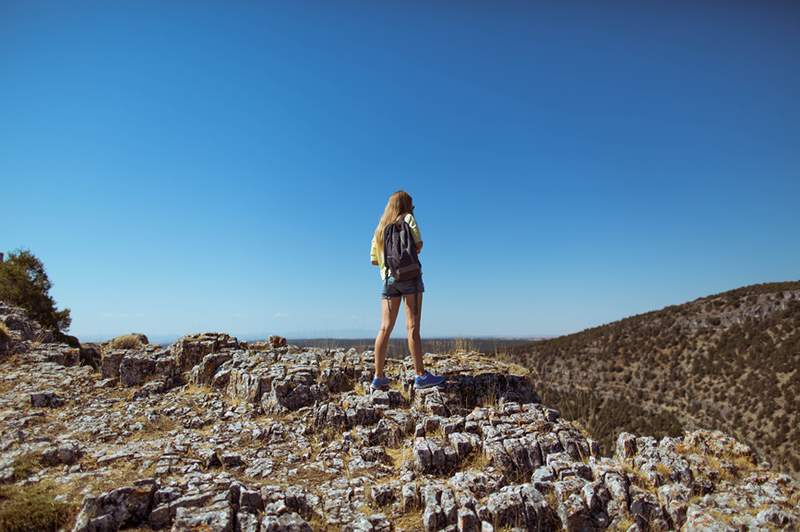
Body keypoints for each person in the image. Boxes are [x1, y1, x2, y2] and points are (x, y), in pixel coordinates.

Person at [369, 190, 446, 391]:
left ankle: (378, 377)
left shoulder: (380, 228)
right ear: (406, 205)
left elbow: (373, 259)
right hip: (410, 276)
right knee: (412, 327)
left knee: (384, 327)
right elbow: (418, 245)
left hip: (388, 280)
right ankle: (420, 375)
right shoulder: (408, 218)